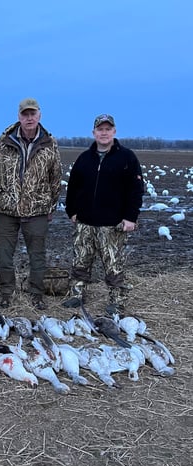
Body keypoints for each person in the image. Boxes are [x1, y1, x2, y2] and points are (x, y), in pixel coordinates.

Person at [63, 113, 144, 315]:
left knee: (113, 265)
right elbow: (72, 188)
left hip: (112, 224)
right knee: (80, 261)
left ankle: (117, 300)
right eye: (100, 129)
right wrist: (71, 211)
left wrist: (130, 217)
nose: (104, 132)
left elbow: (136, 190)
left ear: (114, 132)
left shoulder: (127, 158)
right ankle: (76, 295)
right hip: (85, 223)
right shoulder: (84, 159)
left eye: (108, 129)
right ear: (94, 133)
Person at [0, 98, 62, 310]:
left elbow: (55, 178)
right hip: (5, 209)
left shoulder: (50, 144)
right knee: (4, 255)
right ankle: (6, 293)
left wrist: (50, 207)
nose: (29, 118)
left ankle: (37, 294)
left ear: (39, 115)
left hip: (37, 209)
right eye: (25, 114)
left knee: (37, 255)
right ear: (19, 116)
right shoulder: (4, 141)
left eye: (33, 114)